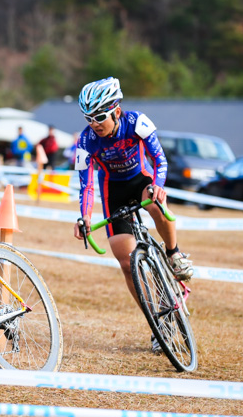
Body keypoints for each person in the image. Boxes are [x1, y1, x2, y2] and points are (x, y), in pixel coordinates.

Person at [71, 76, 193, 354]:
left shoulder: (137, 123)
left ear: (115, 110)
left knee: (153, 202)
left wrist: (159, 187)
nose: (94, 123)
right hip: (112, 190)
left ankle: (174, 253)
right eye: (88, 117)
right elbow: (86, 184)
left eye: (99, 116)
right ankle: (157, 324)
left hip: (141, 180)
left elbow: (160, 160)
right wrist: (85, 217)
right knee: (126, 262)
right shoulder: (86, 140)